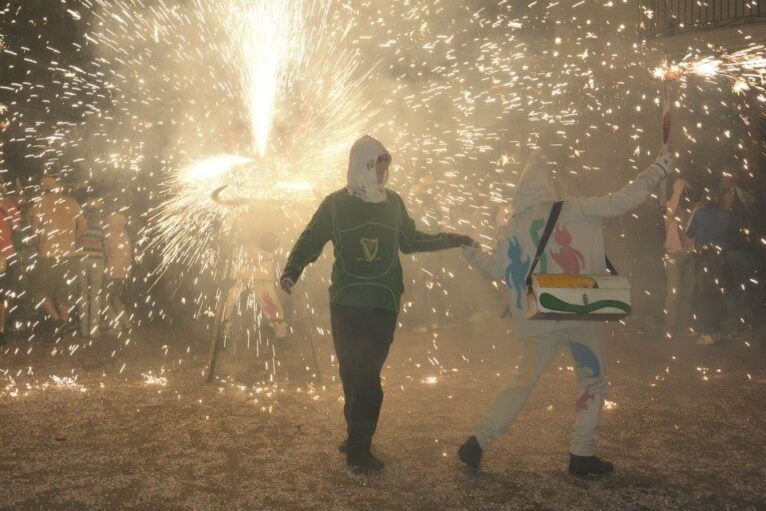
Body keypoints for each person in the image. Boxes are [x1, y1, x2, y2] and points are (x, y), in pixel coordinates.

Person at [456, 145, 673, 477]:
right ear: (549, 185)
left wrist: (469, 250)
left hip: (537, 317)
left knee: (521, 382)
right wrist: (656, 170)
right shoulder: (573, 208)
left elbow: (493, 268)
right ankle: (581, 454)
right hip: (577, 311)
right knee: (592, 381)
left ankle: (478, 442)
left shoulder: (514, 224)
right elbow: (621, 201)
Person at [279, 135, 474, 472]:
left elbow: (411, 241)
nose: (383, 173)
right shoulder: (336, 204)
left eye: (386, 166)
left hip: (383, 302)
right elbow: (312, 237)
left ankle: (359, 448)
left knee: (367, 373)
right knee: (350, 371)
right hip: (346, 301)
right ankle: (356, 434)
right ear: (362, 166)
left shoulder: (393, 203)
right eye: (377, 166)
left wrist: (450, 239)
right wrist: (292, 269)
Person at [29, 176, 85, 334]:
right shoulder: (71, 203)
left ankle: (57, 320)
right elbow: (83, 225)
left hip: (48, 255)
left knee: (40, 291)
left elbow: (34, 231)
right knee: (64, 291)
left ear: (42, 189)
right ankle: (65, 325)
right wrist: (72, 241)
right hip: (69, 254)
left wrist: (38, 246)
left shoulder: (39, 204)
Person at [686, 188, 731, 345]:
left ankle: (706, 333)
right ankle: (717, 331)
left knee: (705, 296)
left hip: (704, 258)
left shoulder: (699, 213)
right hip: (721, 258)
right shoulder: (726, 214)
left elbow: (689, 232)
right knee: (717, 294)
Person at [662, 178, 695, 337]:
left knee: (688, 292)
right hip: (673, 255)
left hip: (689, 255)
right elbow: (672, 207)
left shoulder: (691, 212)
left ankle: (684, 326)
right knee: (674, 292)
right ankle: (670, 326)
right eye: (683, 192)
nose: (685, 194)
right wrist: (679, 188)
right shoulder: (670, 208)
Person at [77, 198, 105, 338]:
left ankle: (83, 328)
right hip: (98, 261)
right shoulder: (101, 226)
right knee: (95, 295)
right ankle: (94, 330)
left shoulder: (81, 225)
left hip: (82, 259)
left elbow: (75, 242)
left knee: (82, 294)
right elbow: (104, 245)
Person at [103, 211, 132, 334]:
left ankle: (115, 326)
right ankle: (126, 323)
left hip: (112, 272)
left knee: (103, 299)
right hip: (124, 272)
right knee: (115, 297)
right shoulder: (125, 234)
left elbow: (105, 252)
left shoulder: (109, 234)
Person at [0, 185, 22, 344]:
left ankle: (2, 327)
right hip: (7, 255)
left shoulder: (7, 205)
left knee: (5, 295)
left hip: (6, 256)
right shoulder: (8, 205)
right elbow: (18, 228)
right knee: (5, 295)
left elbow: (17, 227)